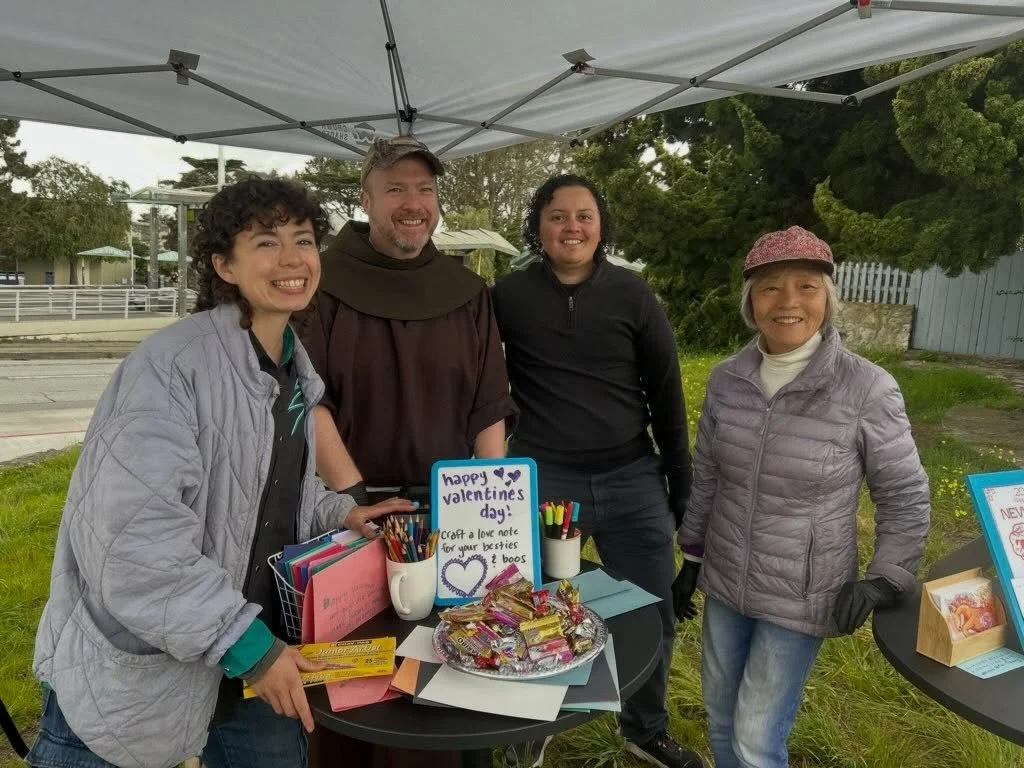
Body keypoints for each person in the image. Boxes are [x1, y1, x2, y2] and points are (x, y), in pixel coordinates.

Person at [25, 177, 414, 768]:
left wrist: (342, 511)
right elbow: (132, 543)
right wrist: (248, 645)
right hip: (151, 661)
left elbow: (264, 489)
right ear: (223, 265)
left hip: (256, 650)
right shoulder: (171, 367)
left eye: (304, 240)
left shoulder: (292, 372)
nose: (291, 259)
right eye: (265, 242)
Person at [294, 137, 517, 766]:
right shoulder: (321, 283)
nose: (412, 204)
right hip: (352, 518)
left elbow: (488, 406)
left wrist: (487, 512)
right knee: (357, 697)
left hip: (449, 521)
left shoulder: (467, 291)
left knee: (454, 691)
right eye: (396, 189)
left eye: (424, 190)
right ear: (366, 200)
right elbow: (309, 401)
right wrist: (356, 502)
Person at [672, 225, 931, 768]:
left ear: (827, 299)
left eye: (807, 286)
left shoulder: (867, 388)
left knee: (756, 738)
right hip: (725, 578)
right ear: (750, 302)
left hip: (802, 590)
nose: (788, 302)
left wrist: (888, 576)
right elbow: (710, 475)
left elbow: (904, 493)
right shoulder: (726, 380)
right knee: (719, 717)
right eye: (770, 287)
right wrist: (691, 558)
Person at [492, 174, 705, 768]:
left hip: (632, 477)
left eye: (585, 215)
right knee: (532, 611)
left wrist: (680, 482)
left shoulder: (632, 294)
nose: (572, 227)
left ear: (602, 225)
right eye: (558, 215)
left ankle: (645, 728)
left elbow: (666, 390)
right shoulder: (507, 296)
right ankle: (528, 732)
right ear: (537, 226)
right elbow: (476, 377)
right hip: (544, 481)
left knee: (652, 611)